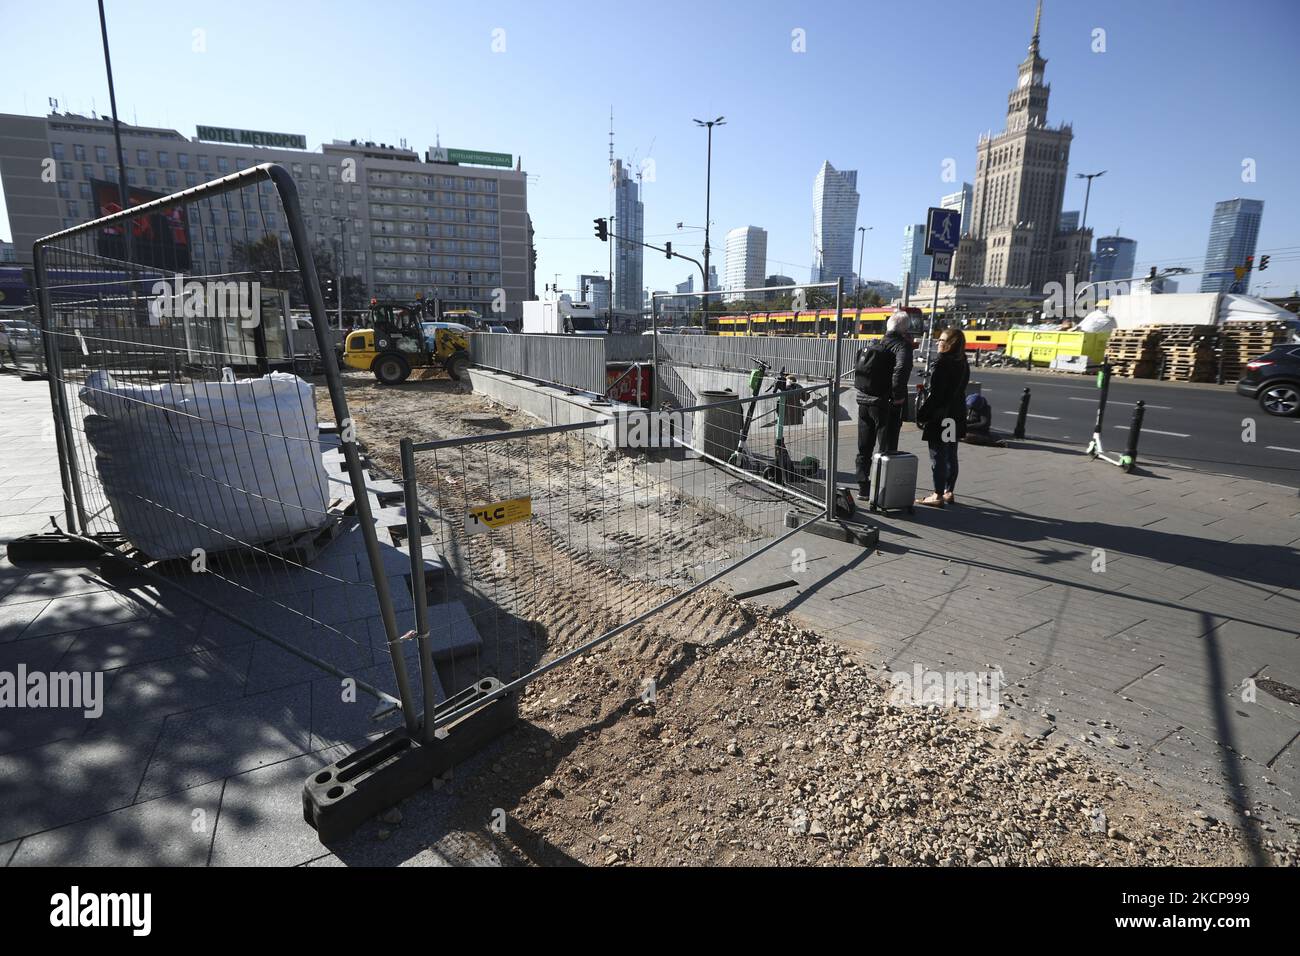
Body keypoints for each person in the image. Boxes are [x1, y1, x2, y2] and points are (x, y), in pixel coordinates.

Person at [853, 311, 914, 496]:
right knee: (886, 449)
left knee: (864, 448)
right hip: (885, 404)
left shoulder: (876, 344)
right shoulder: (901, 347)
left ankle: (863, 488)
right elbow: (901, 368)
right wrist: (897, 396)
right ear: (904, 330)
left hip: (864, 401)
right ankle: (881, 492)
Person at [915, 326, 970, 507]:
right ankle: (948, 491)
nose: (938, 343)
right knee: (951, 453)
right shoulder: (963, 362)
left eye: (942, 340)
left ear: (950, 344)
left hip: (941, 416)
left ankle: (937, 495)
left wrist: (923, 414)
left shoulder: (941, 363)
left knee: (937, 455)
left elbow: (937, 395)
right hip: (954, 414)